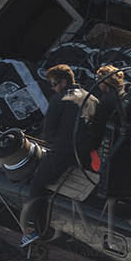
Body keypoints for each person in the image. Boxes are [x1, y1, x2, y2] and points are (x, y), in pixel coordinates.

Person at [19, 64, 98, 242]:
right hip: (86, 157)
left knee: (37, 184)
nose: (52, 88)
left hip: (64, 154)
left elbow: (48, 133)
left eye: (54, 84)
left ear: (63, 82)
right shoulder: (92, 98)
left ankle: (35, 229)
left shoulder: (59, 99)